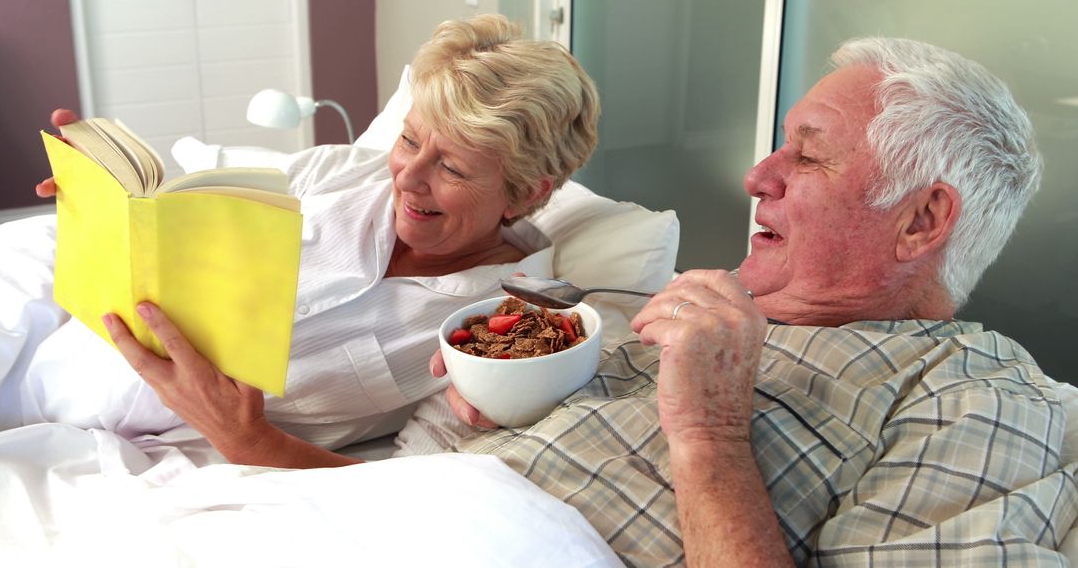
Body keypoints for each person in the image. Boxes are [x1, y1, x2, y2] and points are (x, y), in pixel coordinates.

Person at [400, 37, 1076, 565]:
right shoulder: (707, 316)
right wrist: (515, 395)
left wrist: (712, 435)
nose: (756, 177)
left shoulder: (974, 395)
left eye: (808, 159)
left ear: (921, 221)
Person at [0, 14, 599, 468]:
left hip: (130, 450)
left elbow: (412, 486)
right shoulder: (335, 174)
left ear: (523, 193)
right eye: (411, 142)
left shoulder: (510, 331)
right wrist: (97, 204)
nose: (408, 178)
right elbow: (175, 228)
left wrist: (246, 438)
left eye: (453, 169)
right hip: (55, 348)